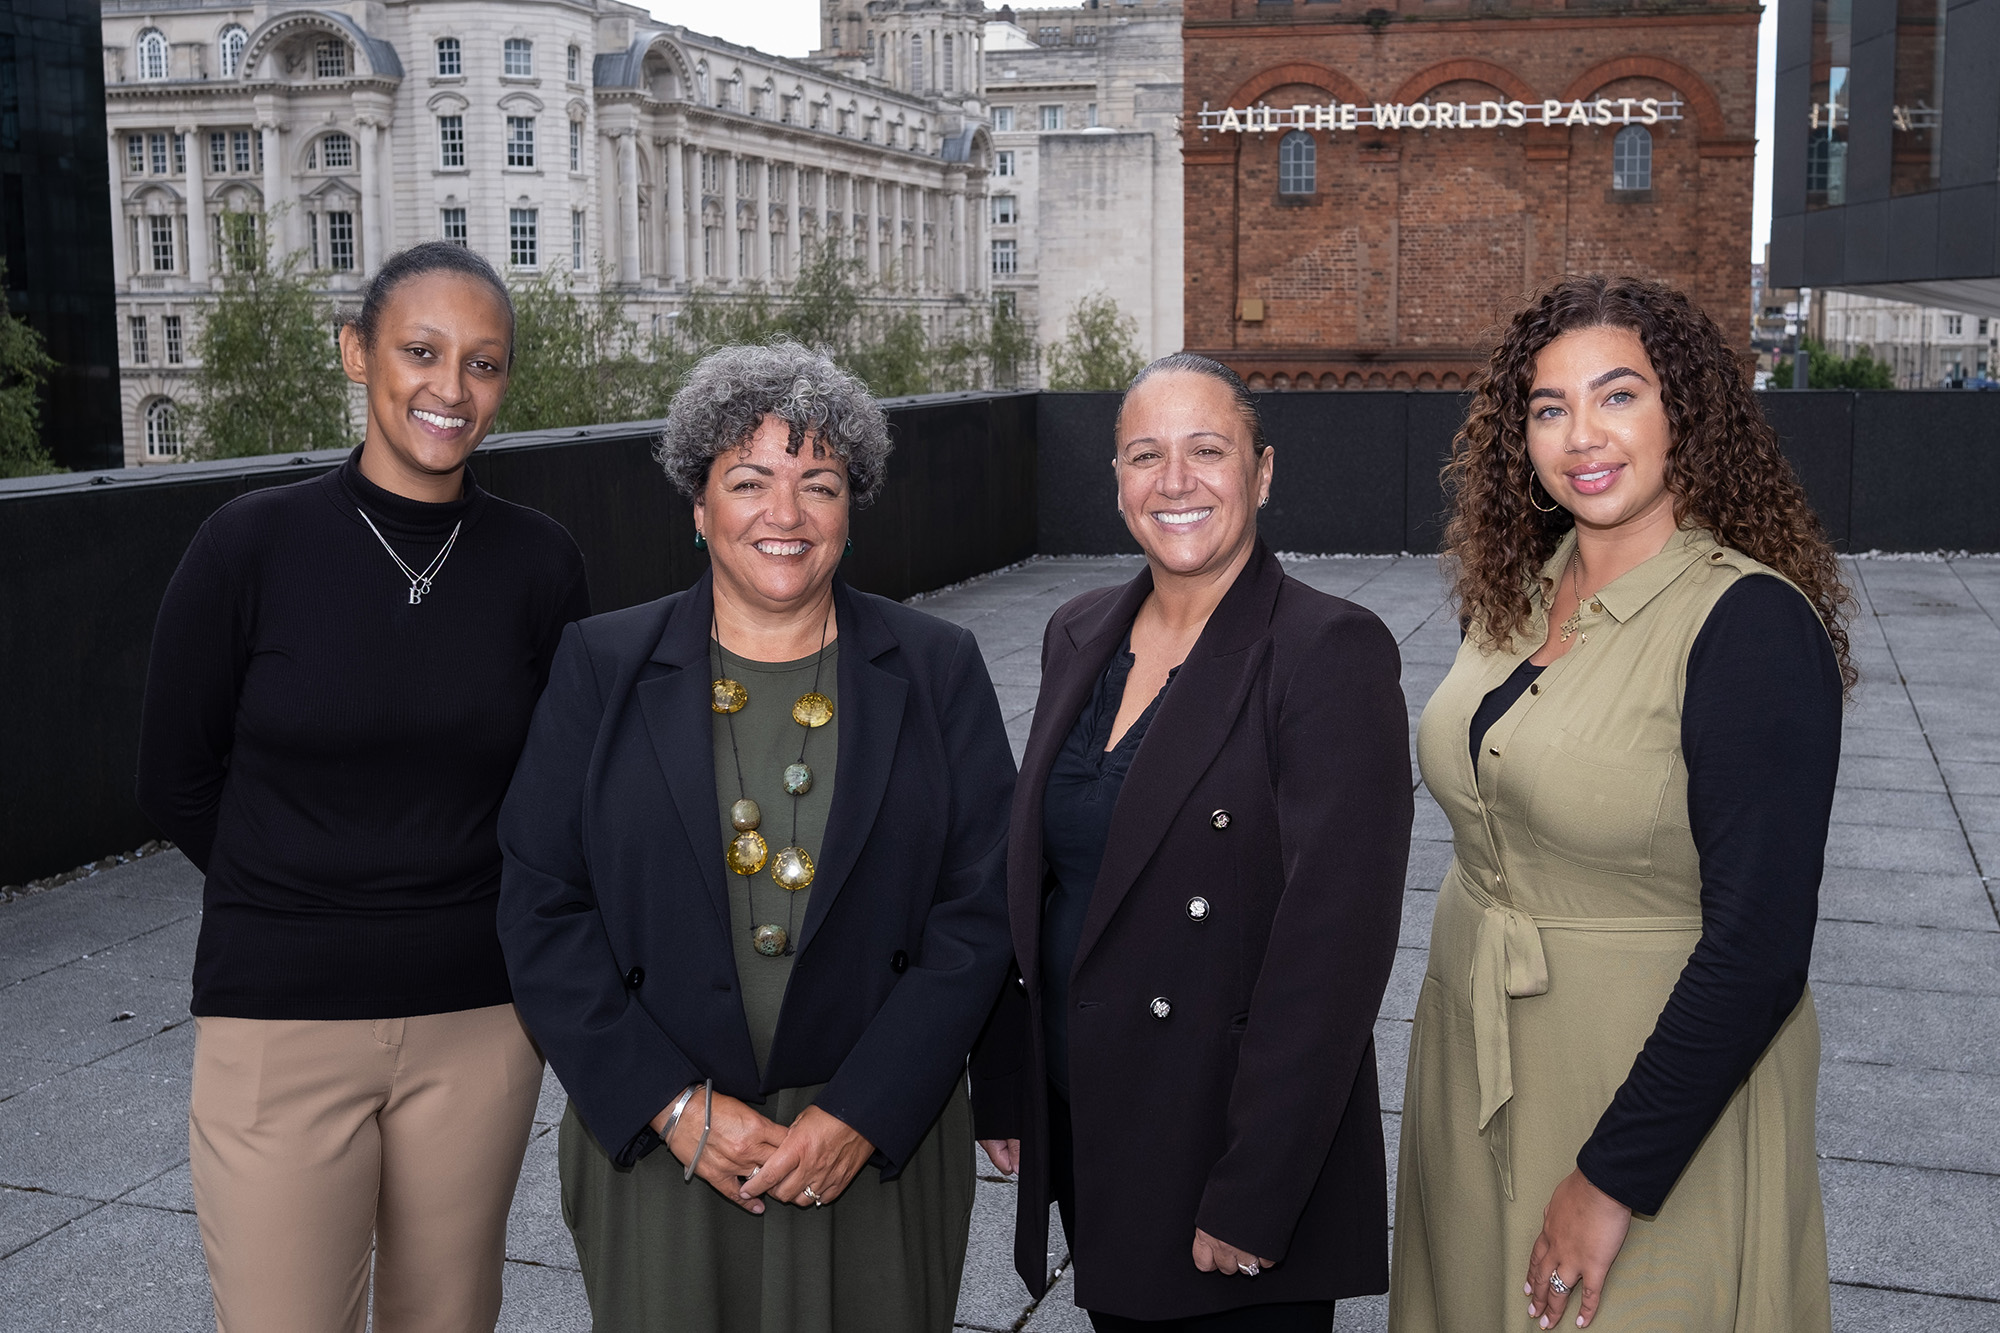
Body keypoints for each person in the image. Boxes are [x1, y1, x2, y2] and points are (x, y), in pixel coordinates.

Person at [495, 341, 1016, 1332]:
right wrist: (669, 1104)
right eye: (748, 481)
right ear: (698, 506)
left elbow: (982, 904)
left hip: (871, 1147)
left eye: (819, 484)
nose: (786, 513)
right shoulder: (599, 664)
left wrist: (865, 1109)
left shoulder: (938, 667)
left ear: (851, 508)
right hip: (667, 1145)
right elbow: (540, 903)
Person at [135, 241, 590, 1332]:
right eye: (420, 352)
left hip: (478, 1018)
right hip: (278, 1015)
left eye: (482, 363)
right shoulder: (249, 544)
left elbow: (562, 789)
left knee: (448, 1317)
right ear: (356, 353)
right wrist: (297, 891)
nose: (451, 388)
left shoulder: (539, 562)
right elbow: (175, 776)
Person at [1390, 275, 1850, 1332]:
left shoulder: (1748, 626)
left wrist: (1609, 1178)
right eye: (1548, 408)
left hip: (1648, 1100)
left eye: (1618, 396)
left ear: (1684, 411)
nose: (1581, 436)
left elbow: (1758, 950)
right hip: (1477, 1068)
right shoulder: (1515, 589)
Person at [970, 353, 1413, 1330]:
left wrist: (1258, 1186)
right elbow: (1034, 882)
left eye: (1206, 450)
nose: (1174, 481)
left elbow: (1333, 950)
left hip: (1220, 1142)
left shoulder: (1326, 651)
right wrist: (1008, 1084)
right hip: (1093, 1121)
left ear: (1261, 471)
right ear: (1117, 482)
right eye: (1145, 455)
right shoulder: (1078, 630)